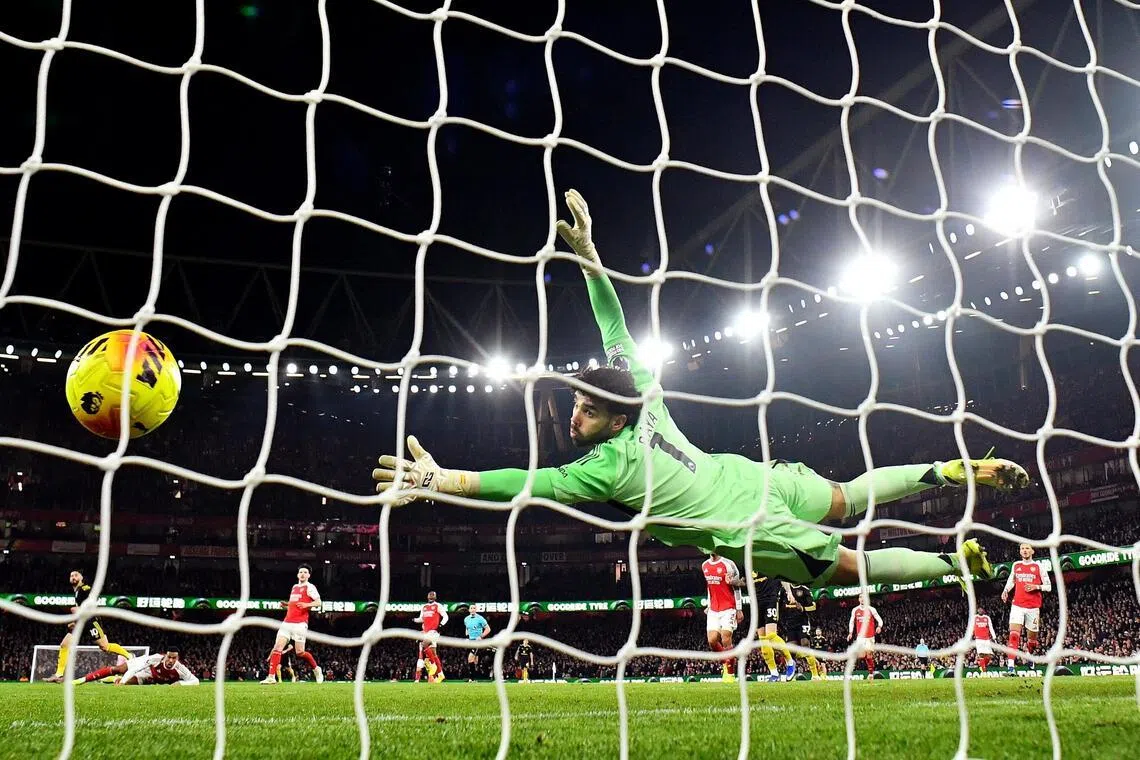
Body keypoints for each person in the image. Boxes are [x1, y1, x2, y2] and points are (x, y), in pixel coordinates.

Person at [372, 189, 1028, 591]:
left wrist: (443, 481)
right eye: (577, 403)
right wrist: (593, 263)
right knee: (847, 497)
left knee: (849, 570)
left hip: (745, 522)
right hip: (744, 475)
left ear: (615, 419)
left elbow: (522, 483)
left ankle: (954, 567)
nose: (576, 415)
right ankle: (948, 469)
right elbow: (613, 325)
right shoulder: (643, 390)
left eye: (587, 409)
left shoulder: (602, 472)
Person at [43, 570, 135, 683]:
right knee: (65, 644)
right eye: (71, 575)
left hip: (91, 621)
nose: (73, 577)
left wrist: (79, 610)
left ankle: (129, 655)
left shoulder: (84, 588)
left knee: (105, 646)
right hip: (82, 621)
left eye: (76, 575)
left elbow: (91, 600)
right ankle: (59, 675)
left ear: (81, 578)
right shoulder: (77, 592)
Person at [261, 564, 323, 684]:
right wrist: (287, 605)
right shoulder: (294, 587)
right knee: (277, 647)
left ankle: (316, 669)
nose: (303, 574)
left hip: (300, 624)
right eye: (301, 572)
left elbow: (319, 602)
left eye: (305, 572)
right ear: (297, 574)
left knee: (300, 652)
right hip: (287, 622)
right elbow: (294, 604)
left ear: (309, 575)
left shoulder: (310, 587)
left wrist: (307, 605)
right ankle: (271, 677)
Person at [1001, 544, 1051, 672]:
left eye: (1027, 548)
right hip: (1017, 605)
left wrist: (1036, 587)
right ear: (1020, 552)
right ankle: (1011, 665)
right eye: (1022, 548)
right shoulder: (1016, 565)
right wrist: (1006, 590)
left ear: (1032, 551)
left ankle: (1029, 655)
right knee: (1013, 635)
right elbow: (1011, 580)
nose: (1025, 550)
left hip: (1033, 607)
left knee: (1032, 641)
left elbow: (1048, 586)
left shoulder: (1038, 566)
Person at [701, 552, 744, 682]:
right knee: (712, 640)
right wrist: (709, 604)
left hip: (728, 606)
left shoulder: (728, 564)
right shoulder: (704, 565)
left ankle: (730, 674)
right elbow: (710, 588)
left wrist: (739, 608)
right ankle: (727, 661)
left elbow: (736, 587)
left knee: (726, 638)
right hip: (714, 608)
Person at [73, 648, 198, 687]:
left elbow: (195, 681)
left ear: (177, 658)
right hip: (142, 664)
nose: (171, 660)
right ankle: (83, 680)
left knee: (126, 683)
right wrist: (123, 681)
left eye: (174, 658)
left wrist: (181, 684)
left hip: (148, 677)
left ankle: (114, 679)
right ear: (165, 655)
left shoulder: (180, 669)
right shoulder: (156, 658)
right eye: (169, 657)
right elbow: (136, 668)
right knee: (120, 669)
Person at [753, 572, 795, 681]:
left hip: (771, 598)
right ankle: (774, 673)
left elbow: (781, 574)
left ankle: (790, 662)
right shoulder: (747, 562)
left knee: (771, 636)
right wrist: (733, 581)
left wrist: (789, 592)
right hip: (756, 601)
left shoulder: (769, 557)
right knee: (763, 641)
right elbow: (744, 580)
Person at [781, 583, 822, 680]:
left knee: (805, 644)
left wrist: (802, 608)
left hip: (802, 622)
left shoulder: (804, 589)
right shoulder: (785, 590)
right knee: (791, 650)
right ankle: (792, 674)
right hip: (790, 623)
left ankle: (815, 674)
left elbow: (813, 606)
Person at [414, 591, 448, 683]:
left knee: (424, 644)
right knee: (433, 653)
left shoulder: (438, 606)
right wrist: (414, 620)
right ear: (427, 596)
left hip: (434, 631)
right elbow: (422, 619)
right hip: (426, 632)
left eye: (433, 594)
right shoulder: (424, 607)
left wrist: (441, 625)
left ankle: (433, 666)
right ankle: (440, 674)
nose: (431, 596)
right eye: (430, 594)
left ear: (435, 597)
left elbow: (445, 616)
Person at [848, 598, 883, 676]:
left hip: (870, 637)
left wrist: (879, 626)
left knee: (869, 655)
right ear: (859, 599)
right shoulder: (855, 610)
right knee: (862, 656)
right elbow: (851, 622)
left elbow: (880, 619)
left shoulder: (871, 609)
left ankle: (871, 673)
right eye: (861, 597)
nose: (863, 599)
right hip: (860, 637)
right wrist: (850, 633)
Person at [463, 605, 491, 681]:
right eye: (471, 608)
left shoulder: (480, 618)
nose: (472, 609)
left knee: (470, 658)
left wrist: (481, 636)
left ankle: (471, 679)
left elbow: (488, 629)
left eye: (474, 608)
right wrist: (467, 637)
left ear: (476, 610)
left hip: (477, 641)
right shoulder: (466, 619)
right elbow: (467, 629)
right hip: (470, 641)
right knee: (475, 661)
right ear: (469, 610)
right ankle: (477, 675)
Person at [973, 607, 997, 674]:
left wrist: (994, 637)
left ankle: (982, 666)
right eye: (979, 609)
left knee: (990, 655)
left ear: (983, 611)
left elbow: (991, 627)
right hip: (978, 639)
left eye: (981, 609)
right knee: (981, 654)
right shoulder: (974, 618)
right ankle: (984, 671)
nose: (980, 610)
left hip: (986, 639)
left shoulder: (987, 618)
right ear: (977, 610)